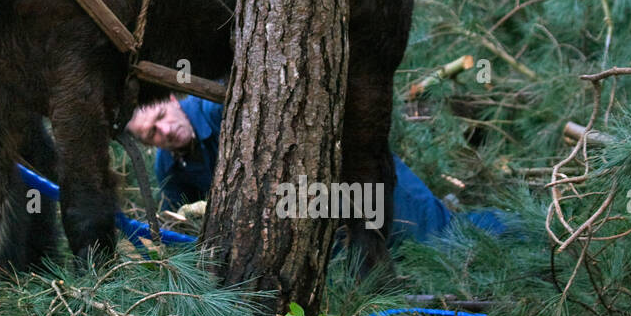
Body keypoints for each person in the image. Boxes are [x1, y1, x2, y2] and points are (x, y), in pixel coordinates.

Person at [127, 94, 511, 246]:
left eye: (161, 117)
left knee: (440, 238)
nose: (164, 132)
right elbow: (180, 224)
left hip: (358, 176)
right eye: (151, 136)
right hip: (318, 220)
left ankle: (543, 233)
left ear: (174, 99)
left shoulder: (223, 106)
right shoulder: (171, 165)